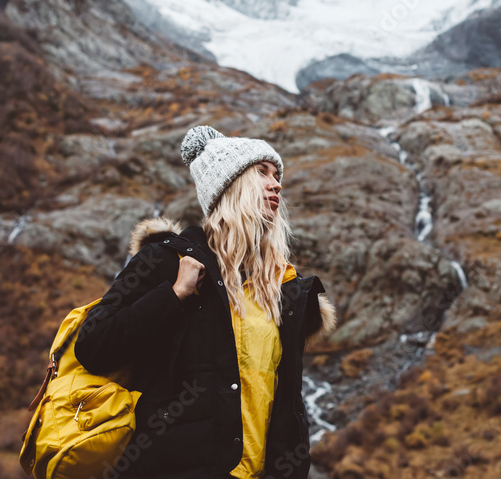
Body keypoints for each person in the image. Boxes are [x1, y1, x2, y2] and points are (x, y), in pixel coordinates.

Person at [75, 124, 336, 479]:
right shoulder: (168, 262)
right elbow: (93, 345)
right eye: (262, 172)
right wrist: (172, 296)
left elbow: (284, 402)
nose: (276, 184)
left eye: (278, 176)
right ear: (228, 185)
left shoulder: (280, 290)